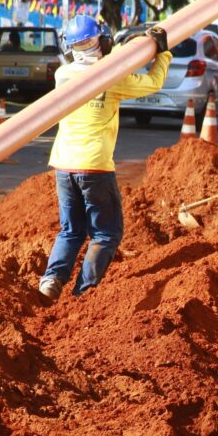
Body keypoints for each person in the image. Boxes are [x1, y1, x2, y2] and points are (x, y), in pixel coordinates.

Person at [38, 15, 171, 302]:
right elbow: (153, 83)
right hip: (95, 164)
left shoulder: (63, 76)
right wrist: (162, 52)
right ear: (103, 41)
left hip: (63, 163)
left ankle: (51, 280)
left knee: (71, 229)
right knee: (106, 233)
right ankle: (84, 292)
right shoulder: (113, 78)